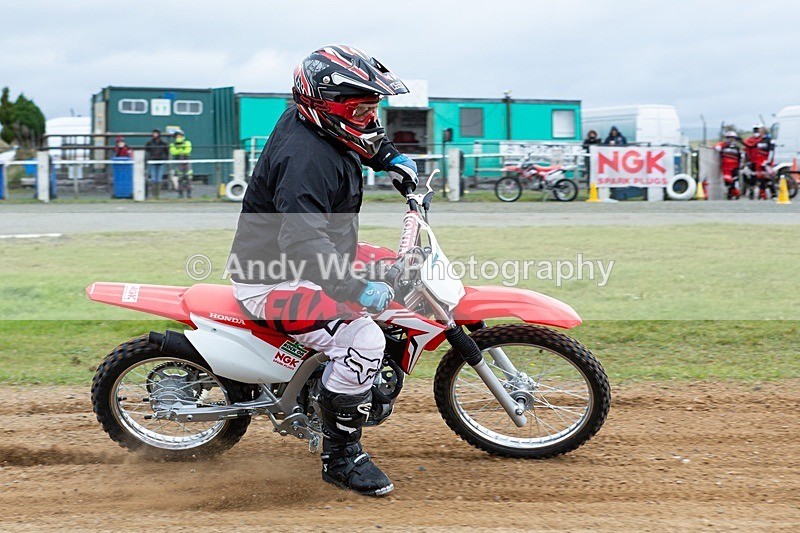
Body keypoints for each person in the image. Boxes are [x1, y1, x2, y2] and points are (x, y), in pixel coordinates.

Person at [228, 45, 418, 497]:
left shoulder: (314, 121)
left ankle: (335, 381)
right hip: (274, 277)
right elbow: (305, 243)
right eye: (360, 108)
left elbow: (358, 136)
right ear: (326, 107)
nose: (369, 118)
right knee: (365, 335)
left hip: (307, 259)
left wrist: (390, 158)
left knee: (385, 267)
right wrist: (356, 290)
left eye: (373, 108)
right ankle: (340, 457)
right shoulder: (305, 162)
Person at [743, 125, 776, 200]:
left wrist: (768, 161)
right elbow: (750, 147)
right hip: (758, 162)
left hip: (766, 162)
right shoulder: (758, 141)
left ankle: (774, 194)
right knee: (760, 178)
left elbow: (771, 152)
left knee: (768, 178)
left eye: (760, 130)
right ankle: (762, 194)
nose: (758, 132)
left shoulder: (769, 140)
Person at [714, 131, 742, 199]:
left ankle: (733, 193)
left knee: (735, 180)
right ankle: (734, 192)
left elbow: (740, 157)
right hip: (726, 166)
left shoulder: (737, 148)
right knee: (728, 181)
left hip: (735, 166)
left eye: (732, 138)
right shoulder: (723, 145)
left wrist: (740, 165)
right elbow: (716, 148)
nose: (730, 139)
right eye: (729, 138)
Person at [144, 129, 169, 199]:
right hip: (153, 161)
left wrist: (165, 159)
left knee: (159, 178)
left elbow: (167, 151)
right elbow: (146, 150)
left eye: (156, 133)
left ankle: (158, 194)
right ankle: (153, 194)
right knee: (153, 178)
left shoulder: (163, 143)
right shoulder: (150, 143)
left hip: (160, 162)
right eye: (154, 133)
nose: (155, 135)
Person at [169, 129, 193, 198]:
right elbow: (173, 152)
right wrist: (182, 150)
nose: (178, 137)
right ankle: (180, 194)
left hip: (187, 161)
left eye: (179, 136)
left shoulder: (187, 142)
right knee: (180, 178)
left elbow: (188, 150)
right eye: (177, 136)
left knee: (188, 177)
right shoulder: (173, 144)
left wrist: (179, 151)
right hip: (178, 162)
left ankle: (189, 193)